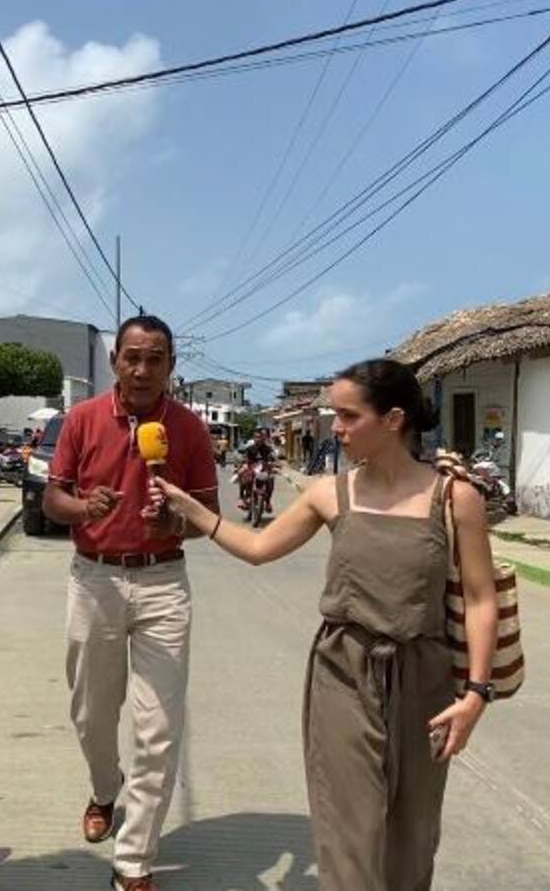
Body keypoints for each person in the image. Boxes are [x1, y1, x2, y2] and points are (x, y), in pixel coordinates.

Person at [149, 359, 499, 891]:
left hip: (424, 679)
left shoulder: (455, 498)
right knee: (348, 830)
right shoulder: (329, 493)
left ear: (393, 420)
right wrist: (192, 511)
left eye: (348, 416)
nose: (336, 427)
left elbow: (480, 598)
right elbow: (259, 547)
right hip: (343, 672)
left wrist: (475, 694)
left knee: (412, 833)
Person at [43, 314, 220, 891]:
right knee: (92, 713)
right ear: (115, 361)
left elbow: (206, 516)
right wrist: (82, 508)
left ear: (171, 366)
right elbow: (51, 499)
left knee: (158, 727)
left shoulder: (189, 429)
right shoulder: (82, 419)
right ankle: (104, 788)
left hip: (163, 582)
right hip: (93, 578)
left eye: (155, 359)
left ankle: (133, 861)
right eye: (133, 357)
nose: (143, 370)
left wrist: (174, 521)